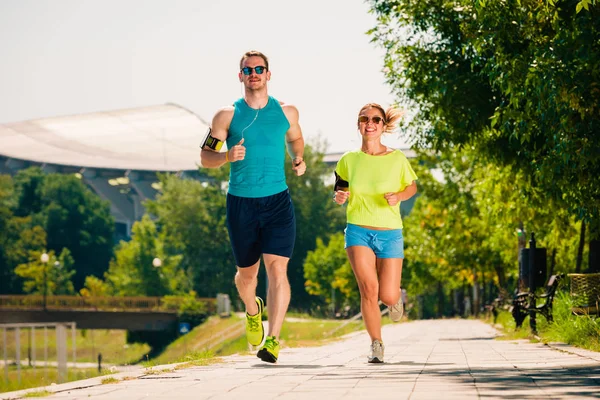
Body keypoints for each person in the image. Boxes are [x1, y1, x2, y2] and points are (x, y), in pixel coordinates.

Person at [200, 50, 306, 363]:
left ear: (269, 75)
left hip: (277, 202)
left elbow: (296, 140)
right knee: (246, 278)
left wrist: (297, 158)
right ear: (241, 76)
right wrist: (225, 157)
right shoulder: (226, 116)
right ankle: (252, 310)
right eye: (248, 70)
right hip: (241, 204)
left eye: (260, 69)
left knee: (278, 269)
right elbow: (206, 158)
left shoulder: (287, 112)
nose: (254, 73)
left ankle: (273, 340)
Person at [333, 103, 417, 363]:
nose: (370, 123)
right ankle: (376, 344)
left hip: (390, 232)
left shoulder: (397, 158)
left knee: (387, 295)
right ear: (358, 124)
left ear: (383, 126)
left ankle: (395, 300)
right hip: (358, 230)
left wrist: (399, 197)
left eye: (376, 119)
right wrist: (339, 197)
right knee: (368, 289)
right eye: (364, 118)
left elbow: (411, 187)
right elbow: (339, 189)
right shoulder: (348, 160)